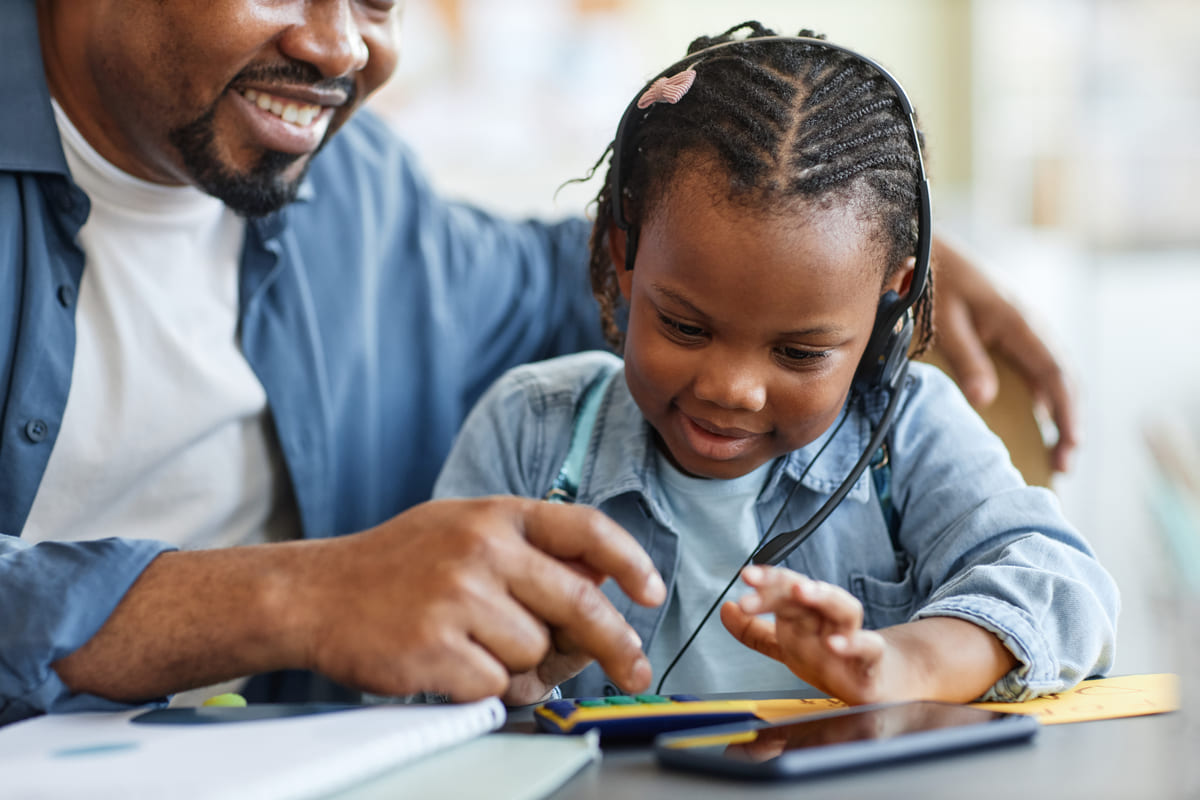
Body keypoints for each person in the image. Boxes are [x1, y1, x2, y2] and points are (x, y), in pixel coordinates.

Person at [0, 0, 1080, 724]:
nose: (337, 48)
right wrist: (293, 596)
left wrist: (872, 259)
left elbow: (598, 270)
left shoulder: (358, 189)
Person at [433, 23, 1118, 705]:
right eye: (684, 325)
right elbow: (418, 679)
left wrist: (905, 665)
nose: (731, 390)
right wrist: (495, 684)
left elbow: (1061, 584)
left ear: (890, 300)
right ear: (624, 256)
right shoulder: (528, 431)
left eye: (799, 353)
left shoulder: (909, 432)